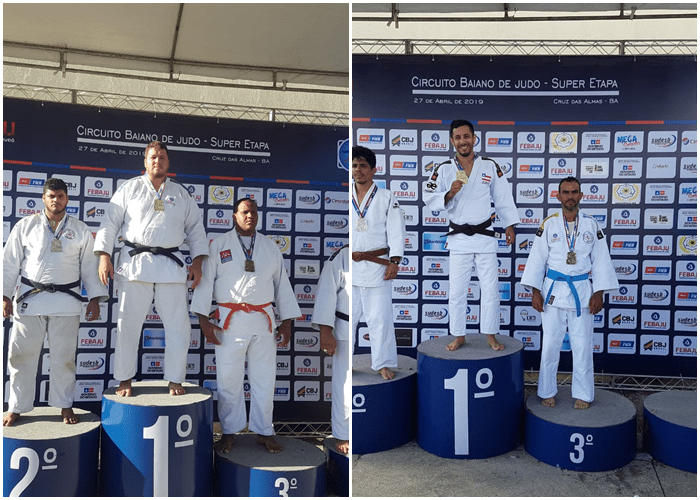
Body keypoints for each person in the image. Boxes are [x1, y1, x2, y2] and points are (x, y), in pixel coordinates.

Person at [94, 141, 209, 397]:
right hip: (135, 263)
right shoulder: (129, 189)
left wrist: (198, 262)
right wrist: (104, 256)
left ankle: (175, 379)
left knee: (179, 327)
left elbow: (195, 230)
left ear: (168, 162)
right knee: (128, 325)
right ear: (145, 162)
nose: (158, 161)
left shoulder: (180, 193)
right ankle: (124, 378)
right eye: (153, 157)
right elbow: (109, 223)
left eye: (162, 157)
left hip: (170, 265)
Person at [191, 198, 301, 454]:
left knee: (265, 380)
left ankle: (265, 432)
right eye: (244, 212)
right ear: (234, 216)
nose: (249, 216)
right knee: (228, 381)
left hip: (264, 323)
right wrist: (204, 321)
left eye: (253, 212)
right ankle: (229, 432)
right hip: (230, 323)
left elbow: (282, 286)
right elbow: (205, 284)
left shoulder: (269, 247)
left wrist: (286, 323)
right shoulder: (219, 245)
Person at [3, 178, 107, 426]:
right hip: (30, 300)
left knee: (64, 359)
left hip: (66, 302)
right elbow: (9, 262)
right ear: (43, 198)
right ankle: (16, 406)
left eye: (60, 196)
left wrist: (94, 298)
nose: (56, 200)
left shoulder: (80, 229)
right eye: (51, 196)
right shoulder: (26, 225)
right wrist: (4, 296)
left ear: (67, 198)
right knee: (21, 356)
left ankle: (64, 405)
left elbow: (90, 267)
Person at [521, 176, 618, 409]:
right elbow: (536, 260)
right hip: (553, 292)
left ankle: (583, 393)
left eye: (574, 192)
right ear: (558, 196)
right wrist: (535, 291)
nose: (570, 197)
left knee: (582, 346)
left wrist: (599, 293)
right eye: (566, 192)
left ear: (581, 196)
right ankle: (546, 390)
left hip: (581, 293)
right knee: (550, 346)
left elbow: (601, 261)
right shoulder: (549, 224)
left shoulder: (592, 225)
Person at [423, 119, 520, 351]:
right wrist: (449, 193)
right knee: (457, 291)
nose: (463, 141)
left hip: (485, 236)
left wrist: (509, 224)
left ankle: (490, 335)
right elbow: (428, 196)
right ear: (452, 141)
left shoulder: (489, 165)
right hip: (459, 239)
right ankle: (458, 335)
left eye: (466, 136)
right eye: (458, 137)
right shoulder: (443, 168)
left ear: (474, 138)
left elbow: (503, 196)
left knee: (490, 290)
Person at [351, 146, 405, 380]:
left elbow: (396, 230)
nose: (358, 170)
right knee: (347, 321)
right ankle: (347, 363)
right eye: (355, 165)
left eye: (363, 166)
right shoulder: (345, 195)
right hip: (350, 268)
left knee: (380, 319)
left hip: (377, 265)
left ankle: (383, 363)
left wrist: (395, 261)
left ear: (374, 170)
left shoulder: (386, 197)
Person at [312, 245, 350, 454]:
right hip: (345, 325)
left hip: (371, 327)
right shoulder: (341, 256)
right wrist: (326, 330)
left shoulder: (383, 253)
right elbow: (326, 294)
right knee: (344, 384)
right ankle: (343, 434)